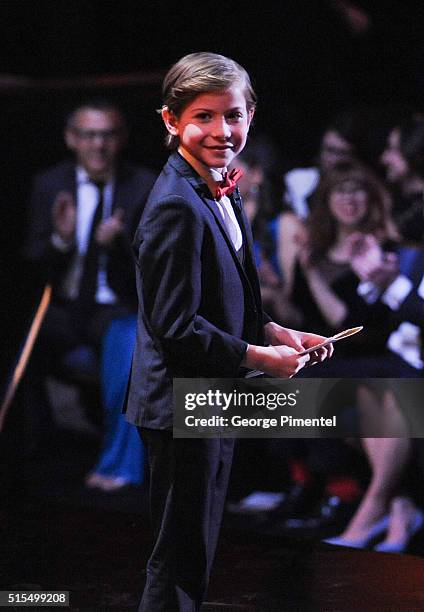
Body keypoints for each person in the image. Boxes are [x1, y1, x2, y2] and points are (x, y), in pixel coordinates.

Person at [124, 52, 333, 612]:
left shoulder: (220, 184)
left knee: (198, 550)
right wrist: (262, 360)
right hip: (180, 402)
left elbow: (224, 295)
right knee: (180, 557)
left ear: (251, 115)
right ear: (171, 121)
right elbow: (175, 327)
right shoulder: (176, 206)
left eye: (233, 115)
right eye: (204, 117)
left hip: (212, 393)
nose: (222, 131)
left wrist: (274, 330)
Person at [20, 98, 156, 461]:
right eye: (89, 135)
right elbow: (31, 260)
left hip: (116, 307)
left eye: (107, 135)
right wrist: (61, 240)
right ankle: (38, 449)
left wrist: (117, 246)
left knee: (128, 347)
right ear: (71, 139)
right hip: (65, 308)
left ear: (121, 139)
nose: (98, 145)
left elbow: (154, 270)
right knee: (19, 343)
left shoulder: (143, 186)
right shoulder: (50, 184)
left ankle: (117, 460)